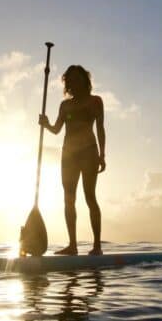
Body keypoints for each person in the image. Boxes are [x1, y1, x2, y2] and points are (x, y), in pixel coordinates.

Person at [39, 65, 106, 255]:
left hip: (89, 152)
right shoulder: (65, 105)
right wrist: (46, 124)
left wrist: (102, 154)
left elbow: (100, 128)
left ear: (85, 81)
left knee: (90, 197)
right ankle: (73, 245)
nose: (73, 82)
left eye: (77, 78)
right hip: (68, 155)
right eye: (70, 80)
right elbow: (57, 129)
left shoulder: (95, 101)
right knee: (69, 199)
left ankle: (97, 246)